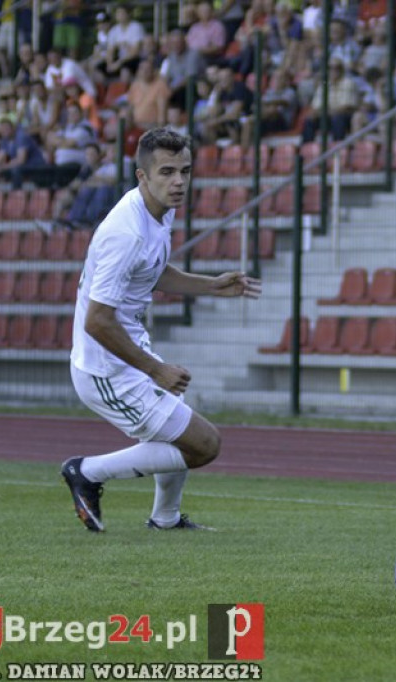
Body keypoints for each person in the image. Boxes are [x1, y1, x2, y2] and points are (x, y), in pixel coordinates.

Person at [61, 127, 262, 533]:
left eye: (185, 171)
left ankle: (165, 519)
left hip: (126, 350)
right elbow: (96, 320)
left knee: (179, 426)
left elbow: (151, 270)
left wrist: (210, 285)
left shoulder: (156, 211)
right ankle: (85, 472)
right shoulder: (126, 232)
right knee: (204, 445)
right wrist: (156, 369)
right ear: (142, 176)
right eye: (167, 172)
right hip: (104, 370)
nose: (179, 181)